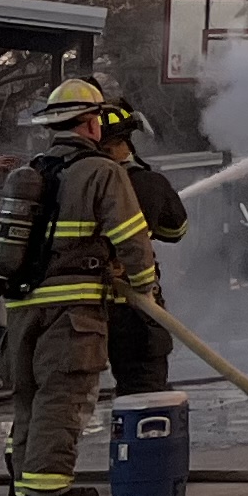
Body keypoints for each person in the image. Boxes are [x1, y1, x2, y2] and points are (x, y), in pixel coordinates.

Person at [0, 76, 161, 496]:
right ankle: (48, 486)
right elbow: (131, 237)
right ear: (90, 124)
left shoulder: (31, 173)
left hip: (21, 305)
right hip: (72, 308)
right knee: (64, 393)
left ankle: (25, 477)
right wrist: (145, 290)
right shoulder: (101, 171)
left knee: (29, 391)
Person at [99, 101, 191, 396]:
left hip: (72, 311)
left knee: (58, 404)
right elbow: (176, 230)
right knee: (144, 395)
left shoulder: (65, 179)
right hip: (132, 311)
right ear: (120, 143)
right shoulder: (147, 182)